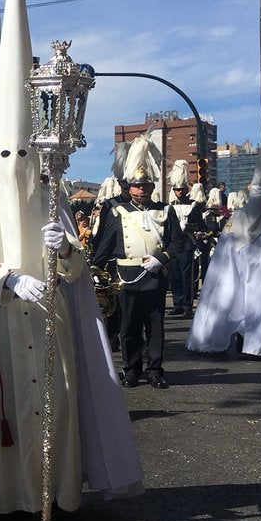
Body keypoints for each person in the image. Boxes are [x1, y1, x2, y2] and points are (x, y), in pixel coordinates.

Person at [0, 0, 143, 518]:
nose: (15, 164)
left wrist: (64, 252)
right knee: (11, 410)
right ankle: (15, 496)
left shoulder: (52, 194)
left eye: (23, 153)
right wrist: (10, 281)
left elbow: (79, 270)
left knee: (61, 405)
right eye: (6, 153)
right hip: (9, 324)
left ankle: (60, 492)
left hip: (55, 322)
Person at [186, 111, 261, 360]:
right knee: (243, 299)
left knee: (248, 301)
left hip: (254, 269)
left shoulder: (257, 218)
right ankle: (247, 341)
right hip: (245, 268)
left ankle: (250, 341)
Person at [90, 156, 183, 389]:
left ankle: (154, 370)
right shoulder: (116, 212)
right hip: (126, 275)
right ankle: (131, 370)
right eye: (136, 185)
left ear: (152, 187)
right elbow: (105, 244)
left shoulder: (165, 210)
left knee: (155, 327)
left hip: (154, 275)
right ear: (129, 188)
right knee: (128, 327)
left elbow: (178, 242)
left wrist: (162, 258)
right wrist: (95, 268)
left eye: (145, 185)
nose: (141, 189)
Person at [166, 162, 204, 317]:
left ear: (186, 189)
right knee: (174, 276)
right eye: (176, 189)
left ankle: (188, 306)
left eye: (181, 189)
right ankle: (178, 304)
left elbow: (199, 226)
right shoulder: (169, 206)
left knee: (186, 276)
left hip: (187, 244)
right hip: (173, 245)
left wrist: (187, 226)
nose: (179, 192)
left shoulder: (194, 205)